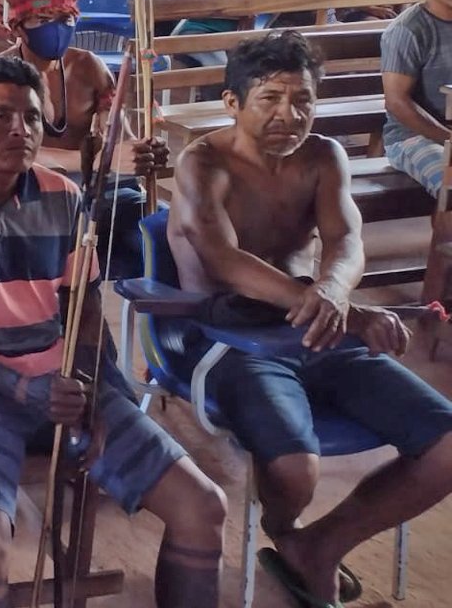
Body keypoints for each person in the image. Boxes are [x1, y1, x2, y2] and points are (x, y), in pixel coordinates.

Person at [0, 57, 227, 608]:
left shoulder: (62, 196)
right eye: (0, 116)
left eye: (32, 117)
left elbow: (84, 304)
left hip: (59, 378)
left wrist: (90, 384)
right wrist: (23, 389)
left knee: (203, 506)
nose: (20, 130)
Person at [169, 31, 452, 606]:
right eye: (269, 98)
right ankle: (286, 531)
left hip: (315, 324)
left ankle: (319, 547)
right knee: (296, 471)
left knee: (447, 444)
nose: (288, 115)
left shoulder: (323, 156)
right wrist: (336, 306)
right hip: (232, 336)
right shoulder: (203, 163)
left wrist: (334, 292)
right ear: (232, 103)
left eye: (302, 100)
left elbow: (347, 240)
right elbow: (223, 262)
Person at [382, 0, 452, 195]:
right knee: (451, 181)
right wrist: (448, 139)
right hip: (413, 137)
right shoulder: (408, 30)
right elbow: (396, 102)